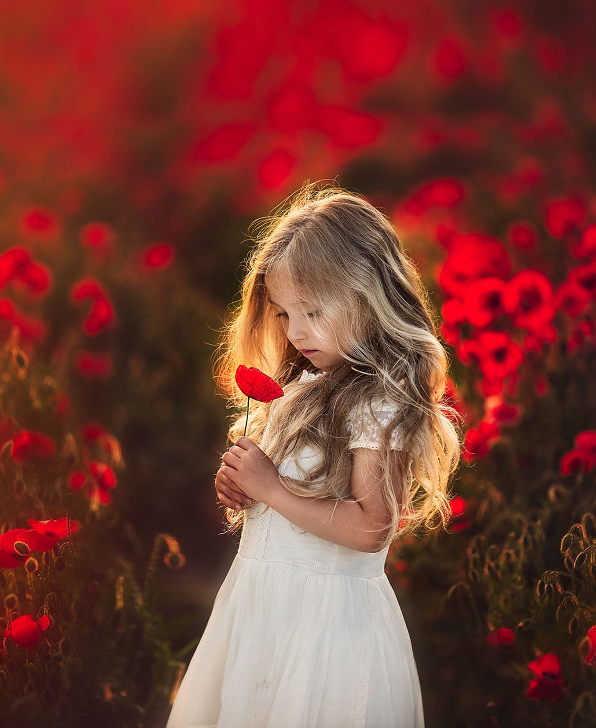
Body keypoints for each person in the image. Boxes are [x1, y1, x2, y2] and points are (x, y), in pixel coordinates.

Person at [166, 181, 463, 727]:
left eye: (312, 311)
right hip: (264, 611)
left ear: (367, 296)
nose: (296, 331)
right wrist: (244, 491)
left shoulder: (377, 401)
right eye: (282, 314)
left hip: (326, 628)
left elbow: (373, 527)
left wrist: (272, 490)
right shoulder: (306, 387)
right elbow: (281, 509)